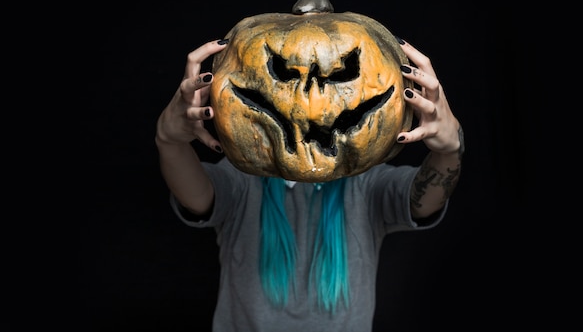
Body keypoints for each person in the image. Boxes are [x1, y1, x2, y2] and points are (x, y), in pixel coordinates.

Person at [155, 36, 464, 331]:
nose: (312, 100)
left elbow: (422, 202)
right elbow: (196, 198)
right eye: (286, 73)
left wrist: (449, 150)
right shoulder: (243, 178)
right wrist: (169, 141)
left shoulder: (366, 184)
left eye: (339, 74)